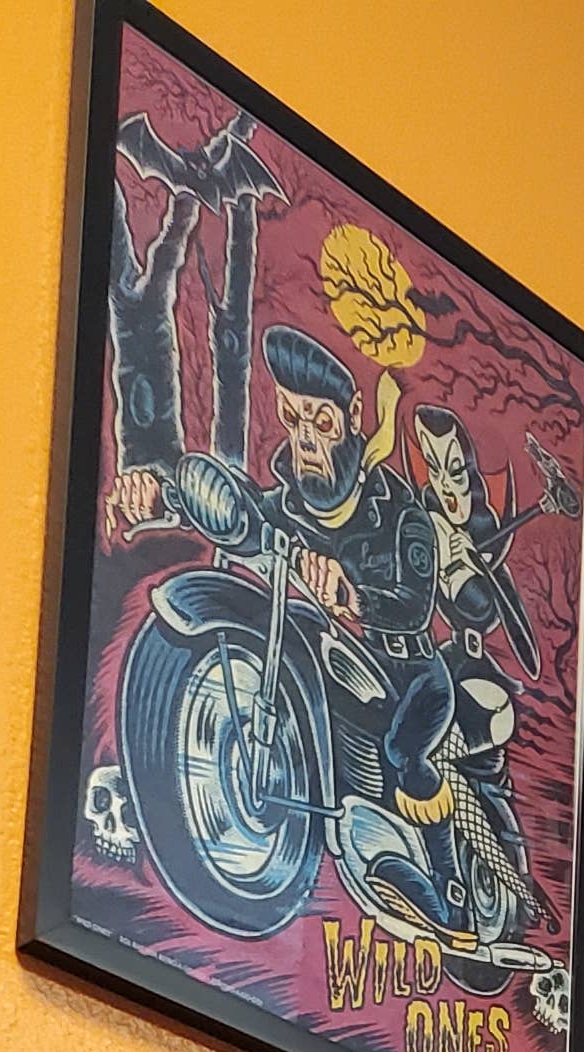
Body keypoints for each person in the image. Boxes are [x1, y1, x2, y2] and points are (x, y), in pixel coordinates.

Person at [112, 325, 469, 942]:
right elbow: (242, 514)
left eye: (320, 422)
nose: (304, 438)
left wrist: (353, 595)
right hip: (341, 662)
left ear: (352, 417)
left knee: (403, 753)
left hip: (410, 675)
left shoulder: (400, 515)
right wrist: (161, 493)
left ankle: (451, 892)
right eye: (293, 417)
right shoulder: (290, 507)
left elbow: (414, 604)